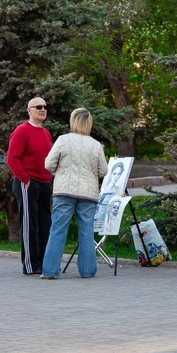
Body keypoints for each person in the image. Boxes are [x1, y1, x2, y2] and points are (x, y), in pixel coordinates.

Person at [40, 108, 108, 279]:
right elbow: (103, 170)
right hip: (88, 193)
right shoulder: (96, 145)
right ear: (89, 123)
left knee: (57, 230)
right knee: (86, 232)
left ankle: (50, 271)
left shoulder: (63, 140)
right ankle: (87, 271)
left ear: (73, 121)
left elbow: (49, 164)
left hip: (64, 191)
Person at [7, 97, 53, 275]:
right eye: (38, 107)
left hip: (44, 182)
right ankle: (30, 264)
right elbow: (12, 158)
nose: (42, 110)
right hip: (27, 183)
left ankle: (43, 262)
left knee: (44, 223)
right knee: (29, 224)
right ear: (29, 111)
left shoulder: (46, 133)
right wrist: (26, 180)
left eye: (45, 107)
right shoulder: (22, 131)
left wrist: (49, 179)